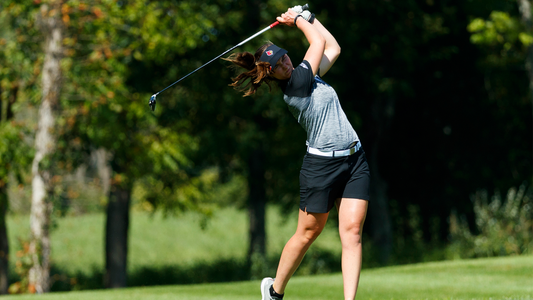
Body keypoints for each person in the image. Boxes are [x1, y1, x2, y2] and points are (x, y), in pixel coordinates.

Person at [224, 5, 370, 300]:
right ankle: (275, 291)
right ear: (270, 75)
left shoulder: (310, 76)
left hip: (355, 160)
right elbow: (316, 43)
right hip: (321, 168)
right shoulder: (296, 86)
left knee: (352, 232)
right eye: (277, 65)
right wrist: (299, 20)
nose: (285, 64)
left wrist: (310, 17)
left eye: (284, 57)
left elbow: (334, 48)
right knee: (308, 233)